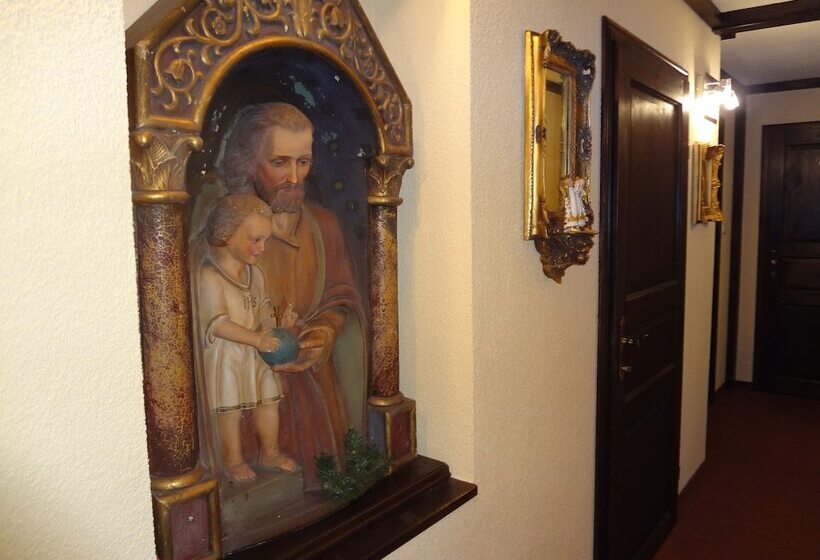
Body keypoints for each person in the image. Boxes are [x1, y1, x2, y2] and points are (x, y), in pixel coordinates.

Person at [221, 102, 366, 491]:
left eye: (303, 162)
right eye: (279, 162)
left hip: (318, 390)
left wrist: (325, 332)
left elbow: (341, 295)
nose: (294, 177)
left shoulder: (324, 226)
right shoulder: (229, 229)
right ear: (250, 163)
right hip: (254, 388)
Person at [196, 194, 297, 482]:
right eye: (255, 240)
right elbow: (218, 325)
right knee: (230, 410)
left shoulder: (256, 274)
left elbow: (262, 308)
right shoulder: (209, 277)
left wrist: (277, 328)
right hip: (227, 356)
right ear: (226, 235)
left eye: (265, 240)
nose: (262, 248)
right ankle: (233, 461)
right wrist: (257, 340)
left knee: (269, 400)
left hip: (256, 351)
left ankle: (270, 453)